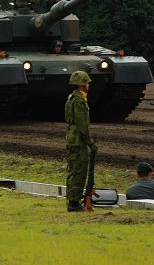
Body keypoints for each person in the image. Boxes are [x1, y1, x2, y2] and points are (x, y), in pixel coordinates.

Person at [64, 70, 95, 212]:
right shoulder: (79, 100)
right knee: (79, 170)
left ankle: (72, 200)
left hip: (72, 137)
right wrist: (90, 142)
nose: (88, 85)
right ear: (82, 84)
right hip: (78, 139)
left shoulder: (71, 98)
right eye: (87, 83)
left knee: (73, 170)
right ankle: (74, 203)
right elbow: (82, 125)